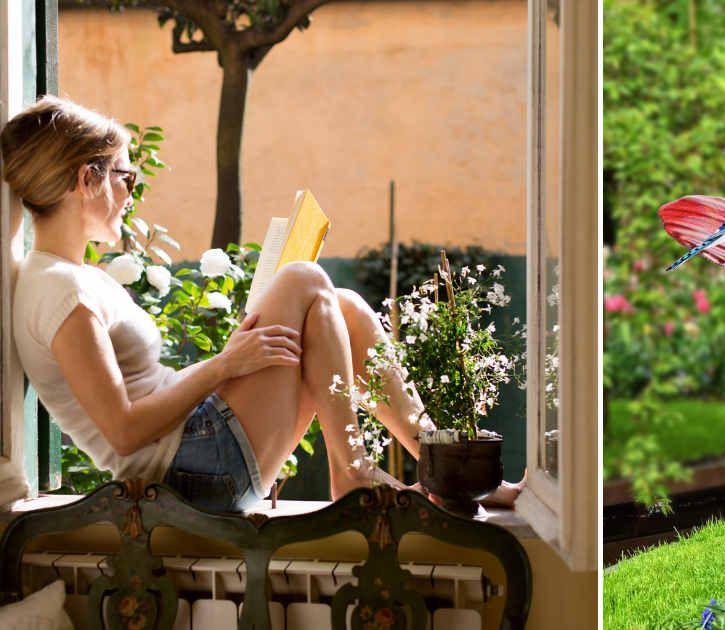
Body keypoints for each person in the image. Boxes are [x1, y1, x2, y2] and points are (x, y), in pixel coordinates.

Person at [2, 96, 522, 512]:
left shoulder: (71, 278)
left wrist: (229, 359)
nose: (131, 194)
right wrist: (226, 364)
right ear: (85, 179)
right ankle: (357, 474)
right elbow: (124, 431)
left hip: (200, 447)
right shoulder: (60, 295)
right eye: (124, 177)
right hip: (189, 473)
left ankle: (448, 469)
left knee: (343, 308)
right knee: (302, 279)